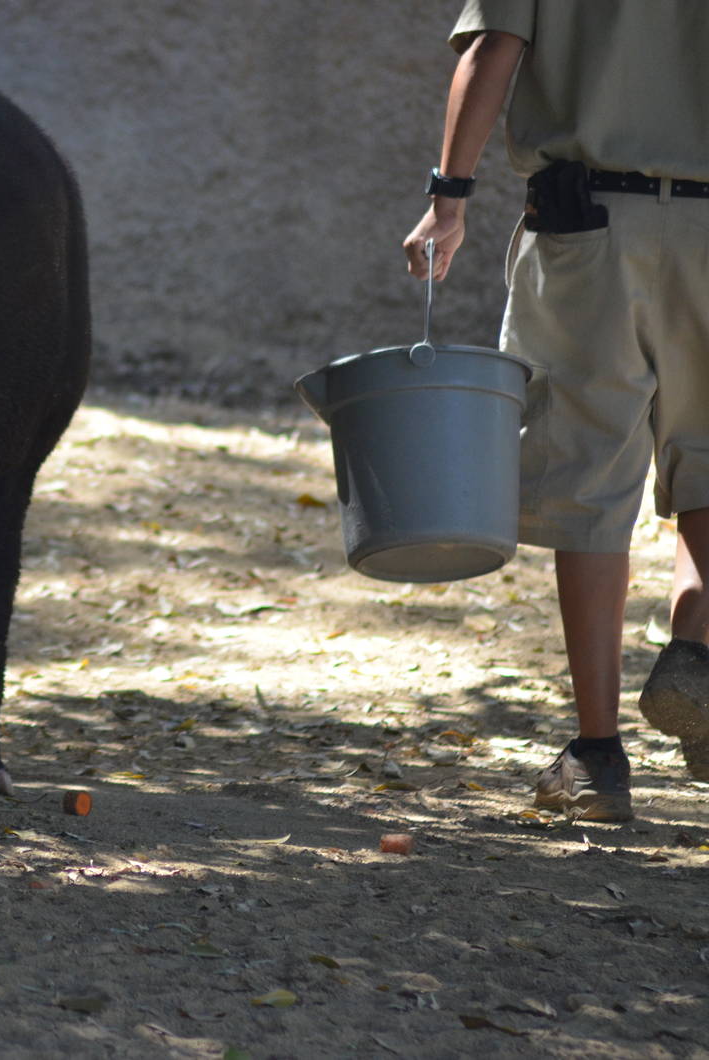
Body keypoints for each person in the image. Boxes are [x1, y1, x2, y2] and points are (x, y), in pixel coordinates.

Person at [403, 1, 709, 822]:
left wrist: (449, 196)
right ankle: (699, 643)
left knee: (588, 483)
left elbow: (495, 47)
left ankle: (599, 757)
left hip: (588, 224)